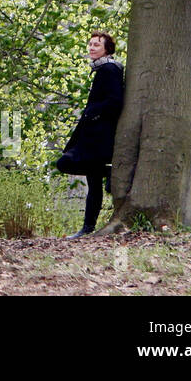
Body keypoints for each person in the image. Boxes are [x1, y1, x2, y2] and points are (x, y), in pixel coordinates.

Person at [54, 31, 124, 238]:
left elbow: (115, 101)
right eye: (91, 44)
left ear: (107, 49)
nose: (92, 48)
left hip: (98, 136)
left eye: (97, 45)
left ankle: (87, 227)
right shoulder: (104, 68)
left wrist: (93, 113)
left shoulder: (109, 69)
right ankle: (87, 227)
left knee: (66, 163)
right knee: (92, 181)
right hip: (94, 134)